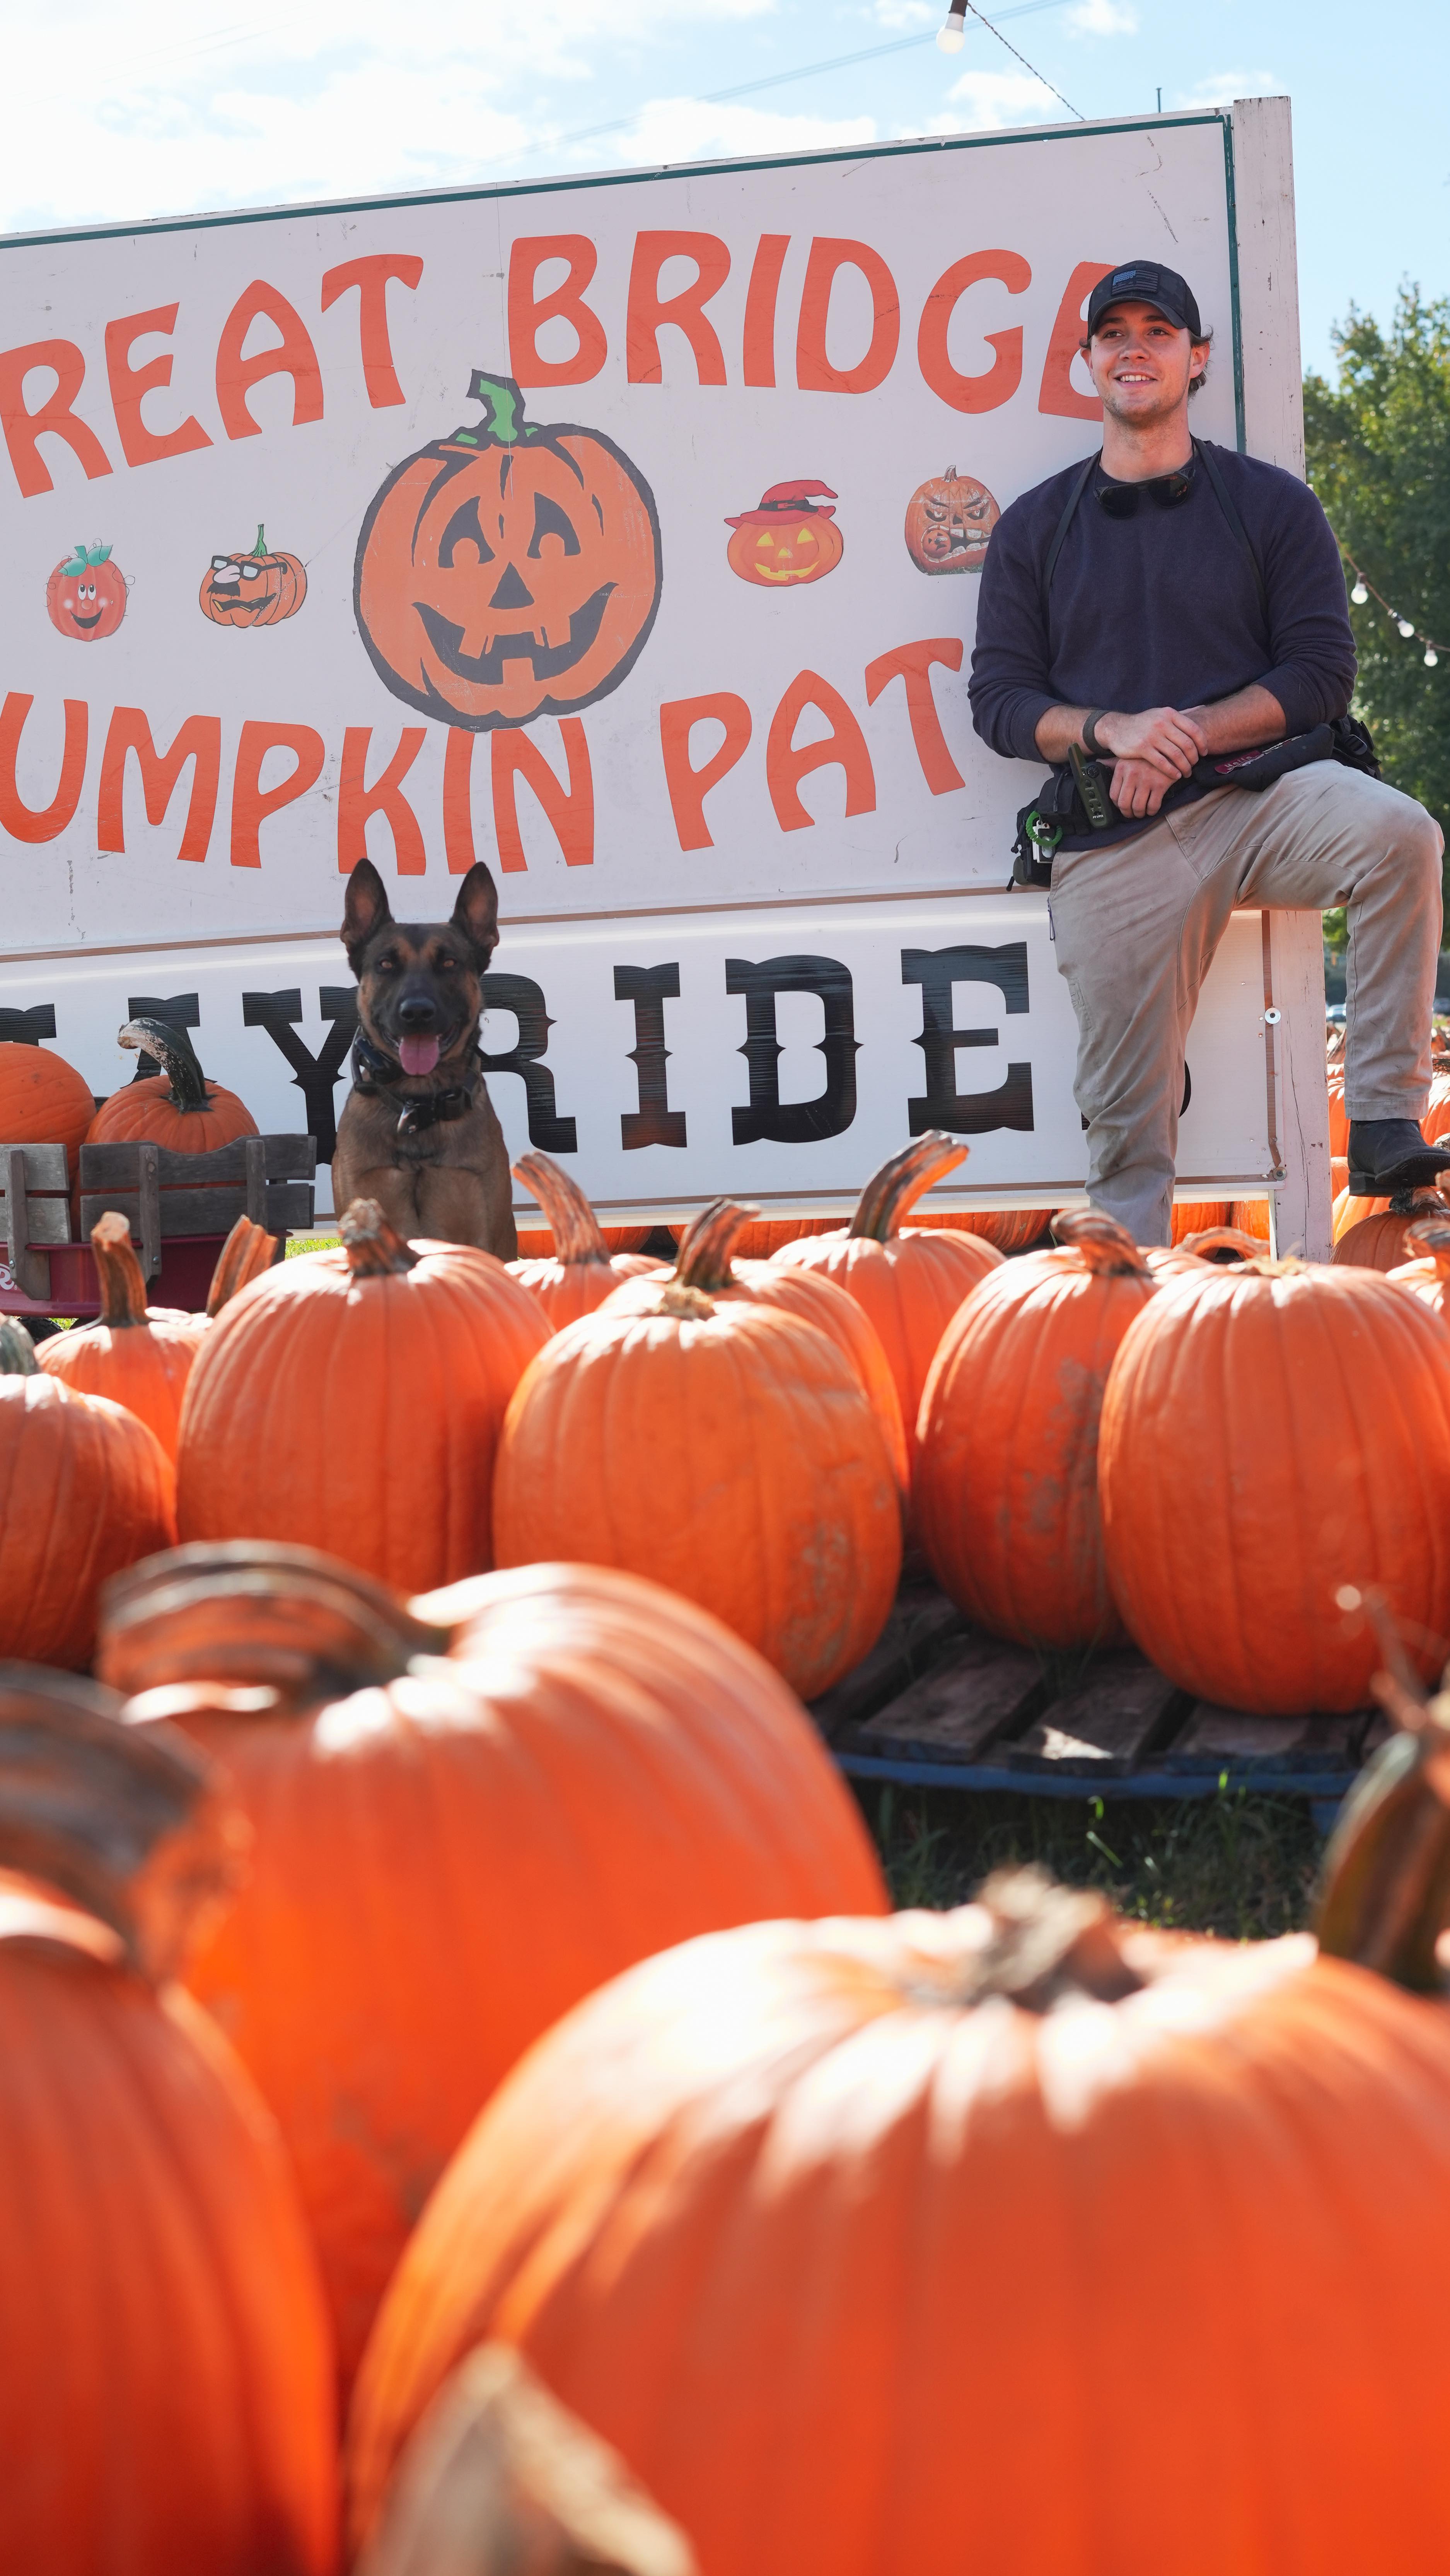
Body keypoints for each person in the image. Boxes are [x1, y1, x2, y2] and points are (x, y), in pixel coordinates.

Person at [967, 256, 1447, 1245]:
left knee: (1402, 835)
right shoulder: (1034, 529)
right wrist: (1112, 730)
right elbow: (1002, 703)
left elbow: (1320, 673)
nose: (1134, 348)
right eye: (1114, 334)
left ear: (1198, 359)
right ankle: (1128, 1330)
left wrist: (1179, 734)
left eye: (1157, 331)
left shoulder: (1270, 506)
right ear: (1087, 361)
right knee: (1128, 1151)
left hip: (1263, 798)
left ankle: (1387, 1120)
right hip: (1116, 835)